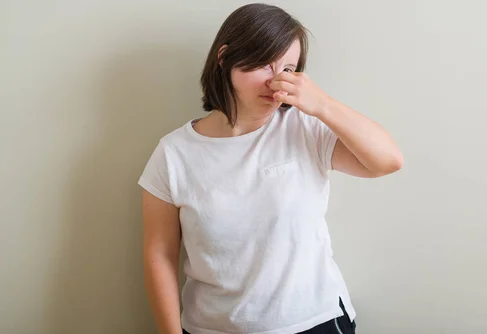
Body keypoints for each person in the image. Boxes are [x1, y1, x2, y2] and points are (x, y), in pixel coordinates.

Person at [139, 3, 403, 334]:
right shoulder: (174, 153)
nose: (277, 80)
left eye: (289, 69)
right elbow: (159, 255)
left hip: (316, 321)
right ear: (225, 59)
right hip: (211, 327)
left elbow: (387, 161)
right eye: (265, 64)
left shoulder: (305, 128)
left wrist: (322, 104)